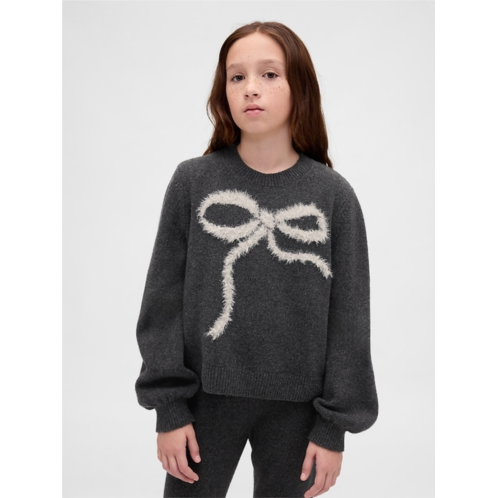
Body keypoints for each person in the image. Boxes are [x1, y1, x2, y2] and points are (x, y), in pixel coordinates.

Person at [135, 21, 378, 498]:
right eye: (236, 76)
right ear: (222, 91)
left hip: (300, 413)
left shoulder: (334, 196)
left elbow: (350, 318)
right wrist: (170, 409)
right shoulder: (192, 182)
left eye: (269, 74)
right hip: (203, 404)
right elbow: (161, 302)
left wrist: (333, 427)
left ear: (299, 87)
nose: (251, 88)